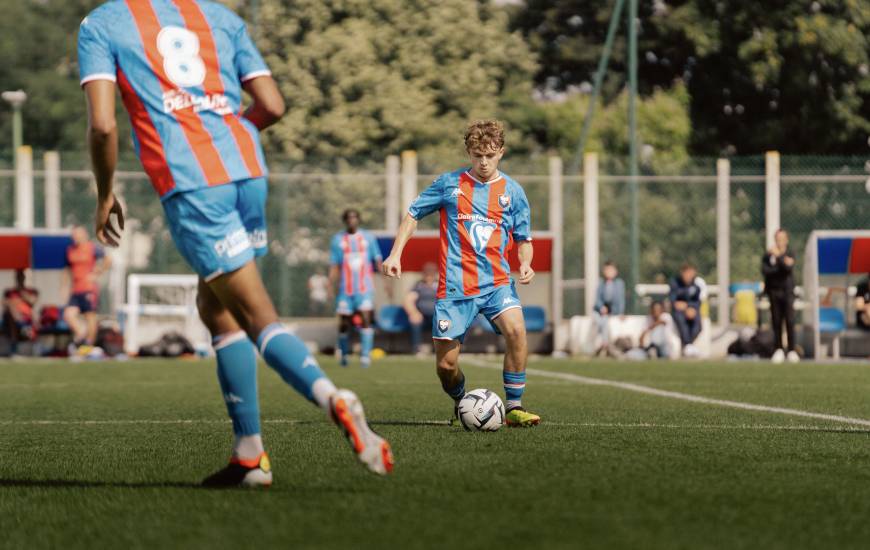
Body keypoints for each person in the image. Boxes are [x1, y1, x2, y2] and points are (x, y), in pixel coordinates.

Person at [78, 0, 392, 487]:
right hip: (247, 170)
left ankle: (333, 398)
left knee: (255, 315)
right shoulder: (220, 17)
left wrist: (104, 195)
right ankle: (249, 456)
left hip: (194, 183)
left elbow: (102, 126)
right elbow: (273, 104)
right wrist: (226, 133)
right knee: (215, 306)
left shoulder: (103, 22)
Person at [382, 119, 541, 427]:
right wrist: (395, 252)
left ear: (501, 153)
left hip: (497, 284)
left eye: (490, 156)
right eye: (477, 155)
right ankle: (462, 402)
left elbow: (524, 239)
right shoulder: (449, 184)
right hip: (456, 287)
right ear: (469, 152)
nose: (484, 162)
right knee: (445, 365)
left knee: (518, 331)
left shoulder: (513, 192)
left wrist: (525, 263)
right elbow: (413, 214)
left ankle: (514, 407)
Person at [329, 209, 383, 367]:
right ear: (345, 220)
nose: (352, 220)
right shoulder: (337, 239)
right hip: (345, 289)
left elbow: (377, 260)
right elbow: (334, 264)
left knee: (366, 318)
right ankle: (344, 354)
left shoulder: (368, 238)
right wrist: (330, 285)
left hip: (364, 287)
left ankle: (365, 357)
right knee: (344, 323)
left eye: (354, 217)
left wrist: (387, 282)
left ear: (358, 220)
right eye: (349, 218)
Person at [63, 226, 110, 352]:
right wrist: (64, 288)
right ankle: (82, 334)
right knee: (69, 314)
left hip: (89, 288)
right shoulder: (70, 250)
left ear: (84, 235)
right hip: (76, 289)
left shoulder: (93, 248)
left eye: (77, 234)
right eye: (74, 235)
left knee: (90, 317)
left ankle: (89, 346)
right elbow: (67, 271)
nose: (75, 237)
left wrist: (96, 273)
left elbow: (107, 260)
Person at [762, 229, 799, 363]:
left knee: (790, 320)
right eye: (777, 238)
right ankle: (778, 348)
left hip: (787, 291)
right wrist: (780, 263)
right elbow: (766, 270)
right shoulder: (768, 255)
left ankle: (792, 350)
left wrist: (779, 256)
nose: (779, 241)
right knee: (776, 321)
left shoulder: (790, 253)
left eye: (782, 238)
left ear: (786, 240)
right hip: (773, 291)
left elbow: (788, 268)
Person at [669, 263, 703, 357]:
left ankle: (688, 346)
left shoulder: (696, 286)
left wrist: (688, 306)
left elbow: (698, 302)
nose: (689, 275)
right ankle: (688, 346)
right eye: (687, 273)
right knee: (681, 320)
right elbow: (673, 301)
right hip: (678, 312)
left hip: (691, 310)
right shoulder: (674, 283)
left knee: (698, 324)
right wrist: (684, 308)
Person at [403, 262, 438, 355]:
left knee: (443, 322)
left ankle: (438, 349)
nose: (429, 276)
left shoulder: (440, 285)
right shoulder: (419, 285)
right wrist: (414, 313)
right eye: (427, 273)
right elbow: (408, 300)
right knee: (415, 321)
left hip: (437, 316)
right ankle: (416, 348)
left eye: (431, 274)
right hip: (422, 316)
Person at [592, 261, 626, 357]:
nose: (609, 272)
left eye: (611, 270)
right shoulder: (601, 283)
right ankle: (605, 344)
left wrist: (621, 312)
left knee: (605, 322)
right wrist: (601, 307)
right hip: (600, 311)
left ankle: (604, 345)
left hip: (612, 311)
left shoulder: (619, 283)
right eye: (607, 270)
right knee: (603, 321)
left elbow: (621, 299)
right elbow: (597, 299)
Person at [2, 269, 39, 352]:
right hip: (12, 318)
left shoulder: (31, 291)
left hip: (26, 317)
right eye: (18, 276)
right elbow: (4, 302)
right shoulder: (9, 292)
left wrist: (22, 293)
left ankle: (21, 335)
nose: (20, 278)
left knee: (13, 309)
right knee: (11, 310)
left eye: (21, 276)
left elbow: (33, 301)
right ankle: (14, 343)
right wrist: (13, 304)